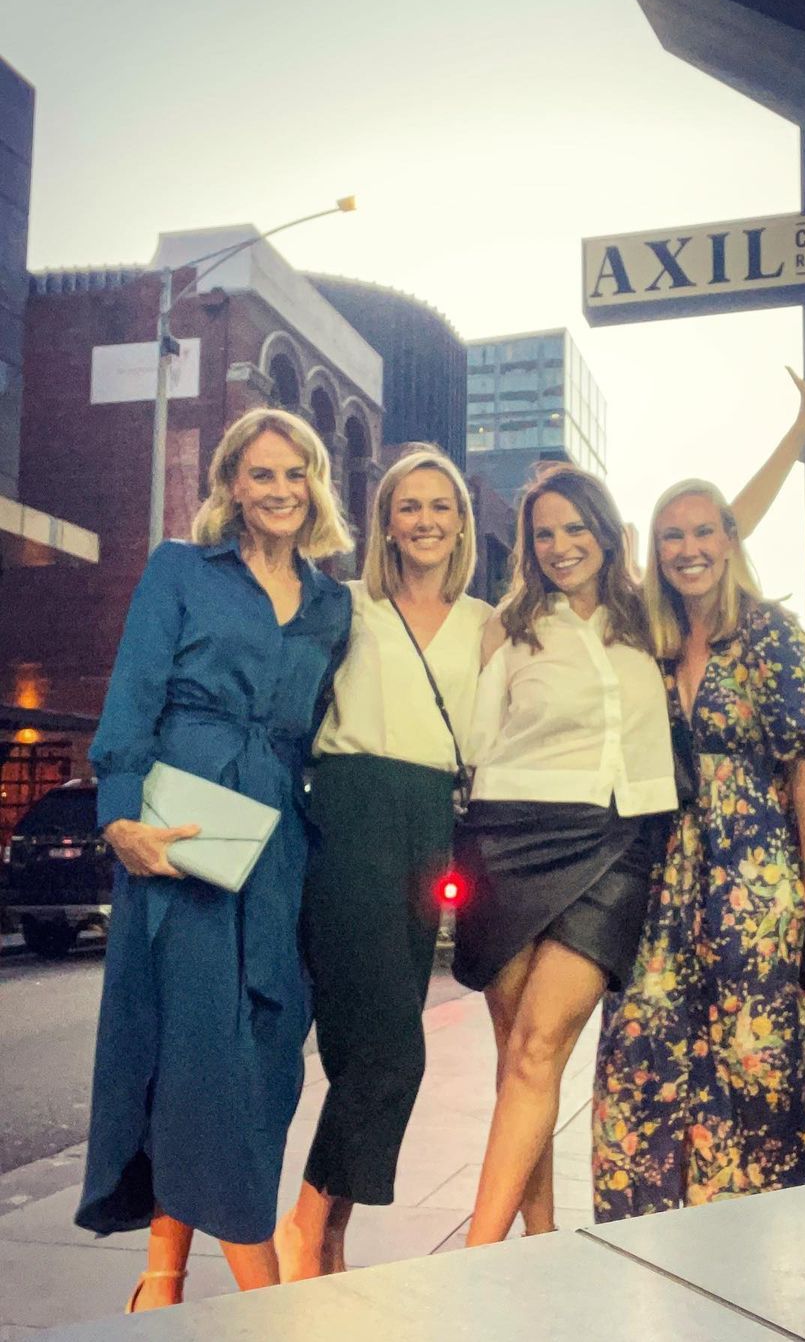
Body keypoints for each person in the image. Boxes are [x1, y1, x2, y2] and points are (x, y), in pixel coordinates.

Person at [451, 369, 805, 1246]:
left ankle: (483, 1256)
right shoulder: (577, 625)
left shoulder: (681, 621)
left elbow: (719, 528)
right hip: (582, 854)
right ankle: (567, 1238)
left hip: (679, 857)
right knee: (568, 1057)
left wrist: (797, 433)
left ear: (609, 534)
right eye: (545, 534)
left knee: (585, 1048)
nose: (561, 546)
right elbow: (469, 740)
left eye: (577, 528)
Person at [75, 409, 353, 1310]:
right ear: (232, 483)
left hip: (276, 842)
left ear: (315, 486)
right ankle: (267, 1305)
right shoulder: (180, 570)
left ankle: (161, 1283)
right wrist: (120, 820)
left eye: (296, 474)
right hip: (181, 834)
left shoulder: (332, 604)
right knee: (204, 1054)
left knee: (265, 1051)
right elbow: (133, 697)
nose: (280, 490)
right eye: (262, 474)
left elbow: (317, 731)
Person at [592, 476, 805, 1220]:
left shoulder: (770, 634)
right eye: (672, 536)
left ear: (730, 541)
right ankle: (647, 1225)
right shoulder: (651, 639)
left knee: (753, 1049)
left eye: (704, 531)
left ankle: (764, 1226)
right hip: (659, 869)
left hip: (753, 869)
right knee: (642, 1039)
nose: (689, 549)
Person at [275, 447, 491, 1281]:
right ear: (387, 523)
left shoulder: (487, 622)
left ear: (461, 523)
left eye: (441, 506)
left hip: (432, 817)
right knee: (394, 1048)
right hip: (352, 807)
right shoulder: (347, 606)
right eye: (410, 506)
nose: (426, 520)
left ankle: (328, 1233)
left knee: (373, 1040)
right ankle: (306, 1225)